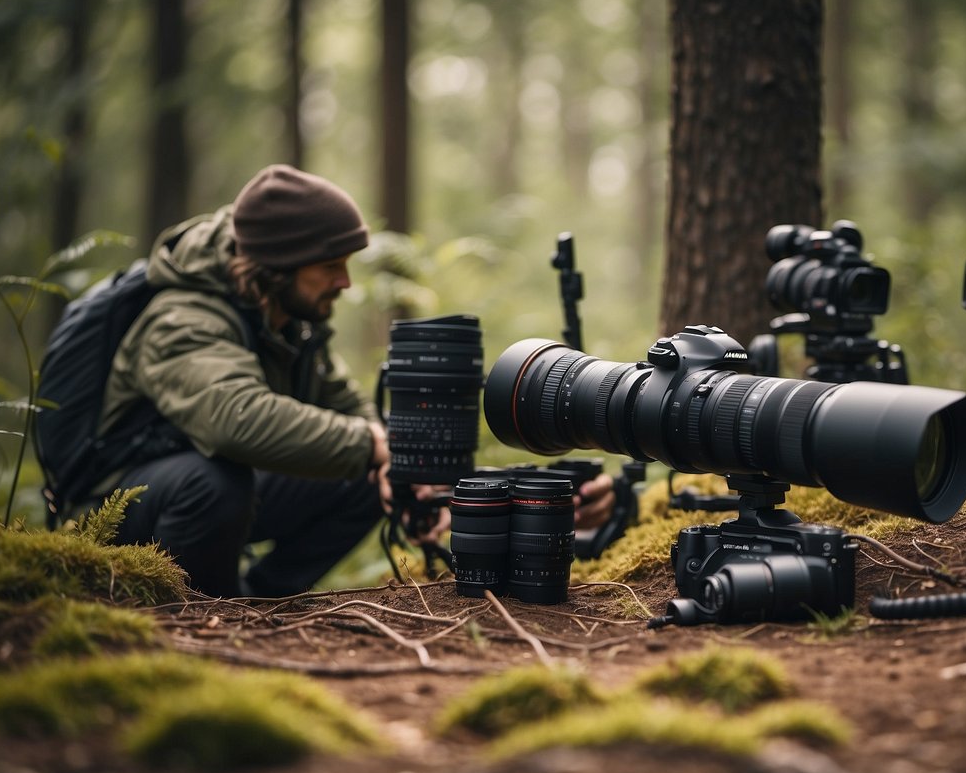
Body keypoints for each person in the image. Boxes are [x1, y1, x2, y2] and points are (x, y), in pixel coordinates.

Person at [90, 164, 614, 597]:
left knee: (364, 467)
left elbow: (351, 410)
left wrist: (398, 469)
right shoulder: (183, 319)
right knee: (216, 484)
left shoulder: (287, 321)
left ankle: (257, 604)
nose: (344, 281)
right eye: (331, 266)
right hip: (120, 503)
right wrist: (373, 444)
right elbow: (234, 419)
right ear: (279, 265)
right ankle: (198, 614)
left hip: (214, 489)